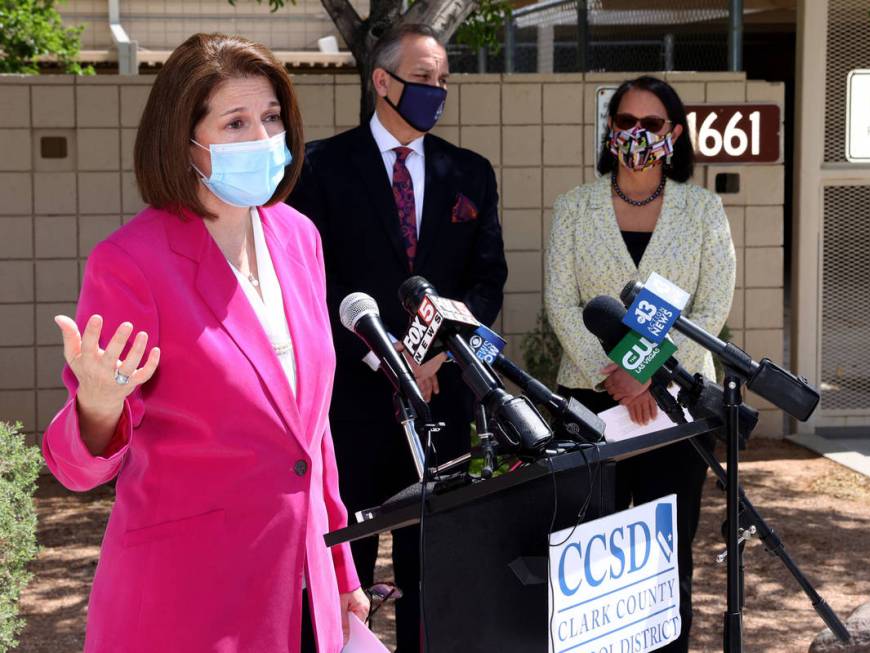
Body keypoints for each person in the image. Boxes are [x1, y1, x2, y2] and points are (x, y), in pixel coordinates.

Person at [41, 33, 369, 653]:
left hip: (302, 587)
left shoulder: (299, 237)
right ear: (185, 141)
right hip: (185, 598)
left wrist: (340, 566)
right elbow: (75, 469)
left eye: (272, 118)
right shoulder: (130, 263)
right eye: (236, 122)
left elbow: (311, 432)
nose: (263, 138)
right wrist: (99, 404)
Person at [287, 23, 507, 653]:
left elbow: (487, 279)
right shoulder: (319, 170)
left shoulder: (470, 173)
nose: (435, 91)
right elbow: (307, 281)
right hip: (351, 408)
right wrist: (381, 354)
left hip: (441, 404)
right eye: (422, 79)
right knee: (339, 571)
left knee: (432, 573)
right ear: (381, 82)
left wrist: (436, 352)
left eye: (442, 80)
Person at [544, 75, 736, 652]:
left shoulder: (703, 209)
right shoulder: (575, 206)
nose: (636, 134)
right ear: (610, 130)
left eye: (650, 125)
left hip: (672, 405)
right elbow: (560, 301)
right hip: (589, 402)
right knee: (586, 556)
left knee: (664, 554)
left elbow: (712, 305)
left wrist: (647, 372)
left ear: (673, 134)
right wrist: (617, 377)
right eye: (625, 122)